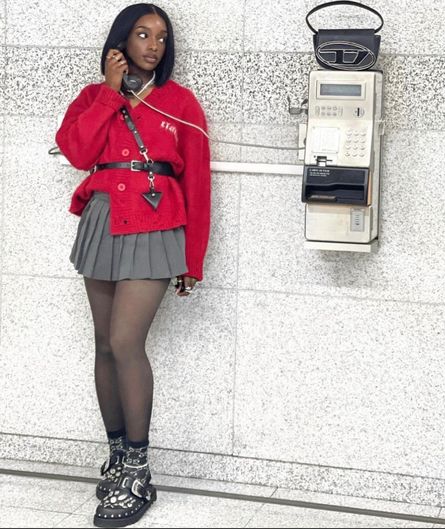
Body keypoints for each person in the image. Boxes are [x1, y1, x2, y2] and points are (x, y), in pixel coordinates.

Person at [55, 3, 211, 527]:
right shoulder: (93, 96)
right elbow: (77, 152)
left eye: (161, 38)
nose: (152, 45)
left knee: (126, 342)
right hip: (102, 219)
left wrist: (193, 258)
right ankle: (118, 455)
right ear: (120, 42)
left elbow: (198, 186)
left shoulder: (181, 102)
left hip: (156, 221)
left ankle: (140, 469)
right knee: (103, 344)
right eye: (142, 35)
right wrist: (107, 89)